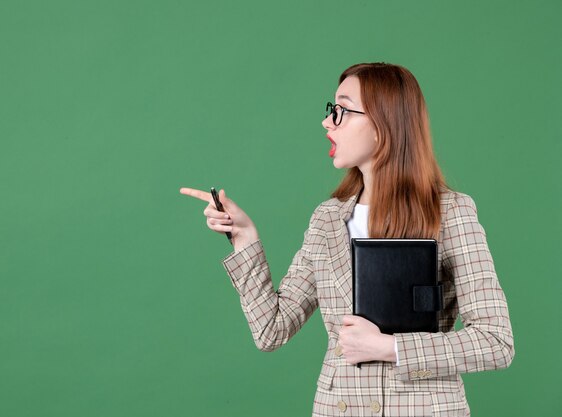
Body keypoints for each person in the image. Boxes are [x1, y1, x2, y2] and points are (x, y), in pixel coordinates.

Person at [179, 62, 514, 417]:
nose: (327, 121)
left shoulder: (450, 212)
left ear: (384, 124)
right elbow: (271, 330)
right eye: (330, 110)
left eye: (341, 110)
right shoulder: (327, 219)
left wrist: (389, 347)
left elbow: (495, 342)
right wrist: (245, 237)